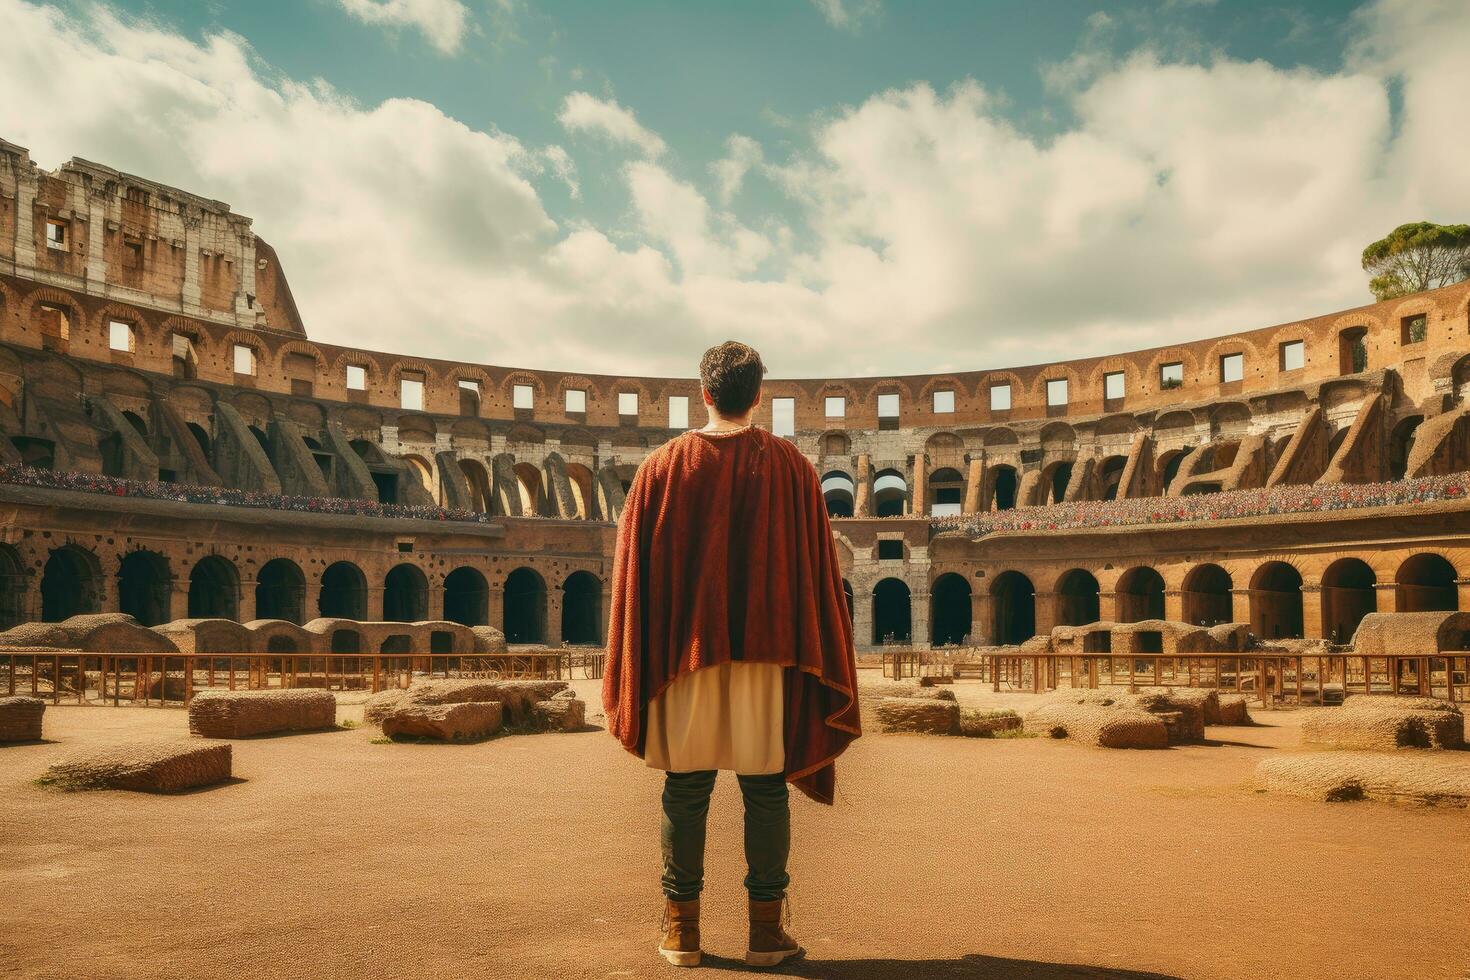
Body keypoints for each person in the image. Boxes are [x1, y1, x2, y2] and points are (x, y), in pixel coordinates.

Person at [604, 340, 860, 968]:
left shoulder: (662, 467)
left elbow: (636, 577)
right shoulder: (793, 468)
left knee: (685, 791)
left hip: (683, 659)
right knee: (766, 792)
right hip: (766, 655)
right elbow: (816, 576)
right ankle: (765, 935)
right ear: (758, 398)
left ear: (705, 392)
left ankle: (681, 933)